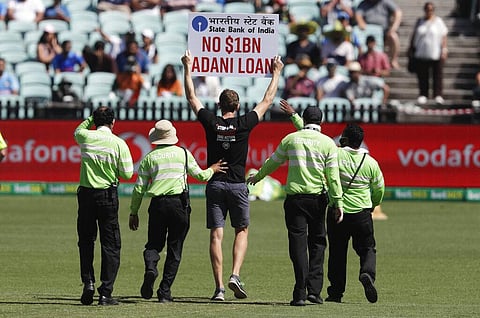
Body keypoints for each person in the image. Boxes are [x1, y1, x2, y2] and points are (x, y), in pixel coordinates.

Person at [181, 50, 284, 301]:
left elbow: (192, 97)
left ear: (219, 106)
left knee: (216, 234)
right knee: (242, 230)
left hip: (215, 184)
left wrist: (188, 67)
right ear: (237, 107)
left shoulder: (212, 122)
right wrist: (277, 72)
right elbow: (268, 100)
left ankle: (219, 289)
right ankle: (235, 274)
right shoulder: (244, 123)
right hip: (238, 186)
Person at [247, 102, 344, 306]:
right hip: (318, 199)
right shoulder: (328, 144)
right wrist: (338, 203)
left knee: (298, 245)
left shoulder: (291, 139)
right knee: (318, 244)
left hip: (295, 200)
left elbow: (273, 161)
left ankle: (299, 293)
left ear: (305, 120)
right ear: (321, 121)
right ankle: (314, 292)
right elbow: (333, 178)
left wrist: (259, 176)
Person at [129, 120, 227, 303]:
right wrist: (212, 169)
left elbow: (139, 189)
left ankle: (151, 266)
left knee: (153, 245)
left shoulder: (149, 158)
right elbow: (200, 175)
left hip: (157, 205)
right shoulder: (183, 153)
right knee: (175, 249)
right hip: (179, 205)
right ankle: (164, 291)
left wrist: (134, 212)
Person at [74, 106, 134, 306]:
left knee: (86, 241)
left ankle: (88, 282)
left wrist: (91, 117)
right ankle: (105, 292)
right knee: (111, 244)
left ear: (94, 121)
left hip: (86, 195)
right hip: (107, 196)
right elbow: (126, 174)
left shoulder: (86, 136)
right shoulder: (118, 143)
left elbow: (77, 131)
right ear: (113, 122)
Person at [325, 123, 385, 304]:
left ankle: (335, 293)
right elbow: (379, 189)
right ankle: (367, 273)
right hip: (362, 213)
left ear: (344, 139)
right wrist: (373, 205)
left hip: (337, 211)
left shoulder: (336, 154)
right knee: (367, 248)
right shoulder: (371, 163)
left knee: (337, 253)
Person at [407, 2, 448, 106]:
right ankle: (423, 94)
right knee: (422, 75)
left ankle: (438, 95)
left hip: (435, 52)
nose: (429, 11)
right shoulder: (420, 21)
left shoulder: (439, 21)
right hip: (421, 52)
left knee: (437, 75)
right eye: (427, 9)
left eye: (431, 9)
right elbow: (414, 35)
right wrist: (411, 48)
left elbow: (443, 36)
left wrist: (444, 49)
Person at [355, 0, 402, 69]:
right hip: (368, 32)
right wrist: (361, 22)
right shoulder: (363, 3)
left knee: (394, 36)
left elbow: (398, 12)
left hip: (384, 32)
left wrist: (394, 27)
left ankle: (393, 60)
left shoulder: (386, 2)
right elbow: (358, 15)